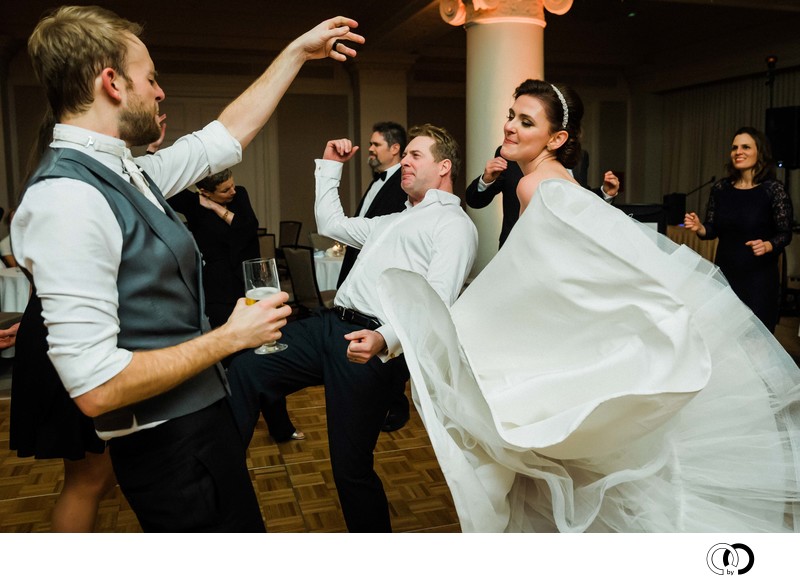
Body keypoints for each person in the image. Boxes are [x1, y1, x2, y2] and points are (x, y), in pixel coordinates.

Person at [375, 79, 800, 532]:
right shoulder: (560, 182)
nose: (510, 127)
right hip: (576, 321)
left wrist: (454, 327)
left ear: (557, 139)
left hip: (555, 325)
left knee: (528, 442)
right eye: (511, 116)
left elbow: (535, 280)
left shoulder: (536, 186)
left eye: (526, 121)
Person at [10, 5, 363, 532]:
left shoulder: (124, 169)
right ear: (111, 83)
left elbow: (222, 138)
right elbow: (96, 388)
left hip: (199, 426)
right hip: (166, 444)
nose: (159, 92)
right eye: (150, 79)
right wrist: (230, 337)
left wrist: (295, 55)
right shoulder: (67, 196)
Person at [227, 124, 478, 532]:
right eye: (405, 155)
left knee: (350, 467)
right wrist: (330, 167)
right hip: (330, 327)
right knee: (245, 368)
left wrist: (385, 338)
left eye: (416, 155)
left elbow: (437, 302)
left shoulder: (453, 226)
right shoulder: (392, 220)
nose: (405, 163)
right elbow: (330, 222)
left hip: (369, 346)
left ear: (444, 166)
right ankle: (221, 488)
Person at [168, 169, 305, 443]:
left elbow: (246, 229)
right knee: (229, 361)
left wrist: (216, 209)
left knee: (266, 356)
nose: (232, 191)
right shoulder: (193, 204)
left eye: (231, 186)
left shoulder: (239, 195)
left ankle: (281, 426)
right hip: (218, 292)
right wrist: (152, 151)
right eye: (224, 190)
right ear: (204, 191)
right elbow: (161, 186)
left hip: (251, 288)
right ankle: (231, 428)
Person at [336, 121, 411, 432]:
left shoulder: (401, 187)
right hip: (359, 264)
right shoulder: (377, 181)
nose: (369, 149)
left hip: (381, 277)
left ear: (395, 149)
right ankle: (375, 400)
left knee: (387, 345)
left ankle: (392, 405)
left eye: (375, 144)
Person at [684, 127, 793, 333]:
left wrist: (768, 245)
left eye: (745, 147)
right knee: (725, 336)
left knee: (756, 339)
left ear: (759, 153)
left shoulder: (773, 190)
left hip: (759, 279)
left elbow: (785, 233)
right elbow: (712, 229)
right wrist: (699, 228)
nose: (738, 151)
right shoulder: (721, 189)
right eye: (734, 147)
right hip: (725, 276)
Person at [465, 146, 619, 248]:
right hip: (516, 248)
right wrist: (486, 180)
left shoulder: (579, 157)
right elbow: (475, 201)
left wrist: (605, 193)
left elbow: (580, 199)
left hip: (566, 249)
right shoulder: (510, 155)